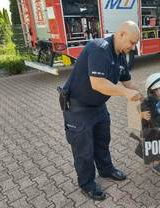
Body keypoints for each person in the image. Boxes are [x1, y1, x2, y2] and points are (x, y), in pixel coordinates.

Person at [60, 21, 142, 201]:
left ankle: (106, 170)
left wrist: (142, 95)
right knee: (84, 150)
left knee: (102, 141)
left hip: (98, 107)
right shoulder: (99, 48)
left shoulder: (120, 55)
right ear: (121, 34)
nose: (133, 47)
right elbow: (97, 83)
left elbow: (128, 81)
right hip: (78, 108)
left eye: (135, 43)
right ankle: (87, 184)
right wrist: (125, 93)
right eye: (132, 42)